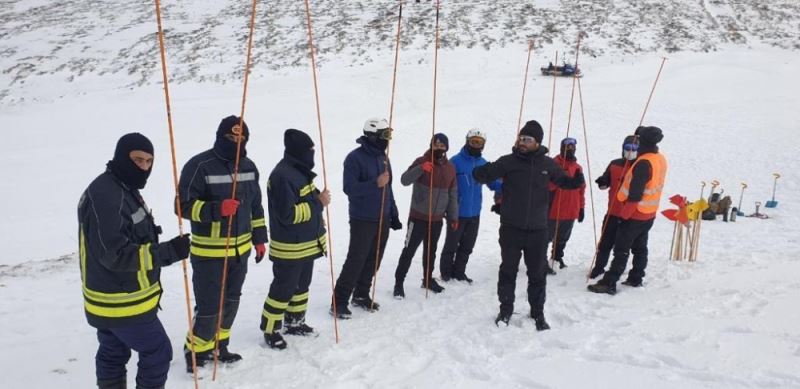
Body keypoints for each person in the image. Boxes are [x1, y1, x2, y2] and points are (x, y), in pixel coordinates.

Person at [78, 133, 190, 389]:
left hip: (107, 297)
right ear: (121, 156)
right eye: (138, 160)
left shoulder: (120, 187)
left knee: (113, 353)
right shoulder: (108, 195)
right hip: (121, 300)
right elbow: (115, 254)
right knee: (158, 351)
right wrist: (169, 251)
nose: (144, 167)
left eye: (149, 161)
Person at [473, 120, 585, 330]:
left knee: (537, 274)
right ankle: (505, 310)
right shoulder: (509, 161)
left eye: (528, 139)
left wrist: (576, 181)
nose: (523, 142)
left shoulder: (547, 164)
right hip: (511, 229)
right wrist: (481, 172)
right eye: (521, 138)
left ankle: (537, 314)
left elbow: (563, 181)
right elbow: (486, 174)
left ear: (537, 143)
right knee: (508, 271)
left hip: (538, 230)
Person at [177, 115, 268, 371]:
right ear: (220, 137)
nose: (237, 142)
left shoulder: (249, 166)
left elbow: (256, 207)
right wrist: (217, 209)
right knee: (209, 306)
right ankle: (196, 350)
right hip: (210, 253)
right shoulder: (199, 165)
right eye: (231, 138)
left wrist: (260, 239)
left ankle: (220, 345)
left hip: (240, 253)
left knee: (231, 301)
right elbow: (181, 206)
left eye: (242, 138)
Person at [260, 129, 329, 349]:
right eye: (310, 150)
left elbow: (307, 200)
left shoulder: (299, 171)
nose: (312, 154)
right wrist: (318, 203)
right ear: (299, 152)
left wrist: (317, 207)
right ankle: (270, 328)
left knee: (302, 286)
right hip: (290, 247)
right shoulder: (282, 176)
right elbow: (287, 214)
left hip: (306, 244)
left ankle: (295, 321)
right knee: (283, 288)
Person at [331, 118, 402, 319]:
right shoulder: (354, 158)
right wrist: (374, 183)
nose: (387, 139)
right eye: (384, 135)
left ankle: (361, 294)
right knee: (356, 259)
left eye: (389, 135)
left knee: (374, 259)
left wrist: (393, 214)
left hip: (383, 218)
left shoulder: (384, 158)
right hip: (363, 218)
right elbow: (349, 189)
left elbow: (389, 188)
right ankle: (339, 301)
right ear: (372, 136)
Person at [588, 126, 667, 294]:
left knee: (621, 250)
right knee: (640, 247)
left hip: (633, 214)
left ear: (643, 143)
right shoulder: (658, 158)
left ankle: (609, 282)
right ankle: (636, 277)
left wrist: (623, 217)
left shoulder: (643, 164)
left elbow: (634, 196)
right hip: (648, 214)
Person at [393, 133, 458, 298]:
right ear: (431, 145)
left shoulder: (450, 168)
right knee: (409, 250)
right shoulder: (422, 161)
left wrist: (453, 216)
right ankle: (398, 283)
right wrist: (421, 169)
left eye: (442, 145)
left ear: (446, 148)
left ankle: (427, 279)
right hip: (418, 218)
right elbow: (404, 180)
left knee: (431, 251)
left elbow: (452, 194)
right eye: (436, 144)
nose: (439, 147)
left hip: (437, 220)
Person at [439, 128, 501, 283]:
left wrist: (507, 186)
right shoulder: (455, 162)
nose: (476, 145)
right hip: (457, 212)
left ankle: (459, 272)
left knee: (467, 246)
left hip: (474, 213)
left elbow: (494, 183)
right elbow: (445, 185)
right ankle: (446, 273)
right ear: (467, 141)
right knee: (451, 245)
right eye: (473, 141)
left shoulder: (483, 163)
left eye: (479, 143)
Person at [589, 135, 637, 279]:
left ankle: (617, 271)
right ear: (623, 149)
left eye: (634, 149)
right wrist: (603, 181)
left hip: (629, 215)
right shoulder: (614, 164)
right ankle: (599, 268)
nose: (631, 151)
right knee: (604, 244)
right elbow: (606, 182)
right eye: (628, 148)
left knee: (622, 248)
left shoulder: (639, 167)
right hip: (612, 213)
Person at [546, 137, 586, 272]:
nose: (570, 149)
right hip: (554, 208)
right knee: (546, 236)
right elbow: (546, 186)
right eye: (567, 147)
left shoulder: (578, 168)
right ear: (561, 148)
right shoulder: (553, 164)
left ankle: (557, 258)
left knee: (563, 237)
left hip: (571, 210)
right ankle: (540, 260)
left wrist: (581, 208)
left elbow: (582, 190)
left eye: (572, 147)